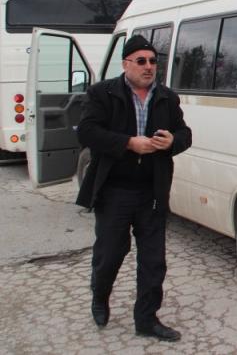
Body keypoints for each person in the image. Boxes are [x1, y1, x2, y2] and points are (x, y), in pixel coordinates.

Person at [76, 35, 192, 342]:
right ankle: (100, 297)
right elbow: (87, 132)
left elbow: (185, 133)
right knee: (110, 254)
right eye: (141, 61)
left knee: (153, 261)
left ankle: (146, 320)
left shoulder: (167, 97)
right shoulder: (103, 93)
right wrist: (128, 143)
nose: (149, 67)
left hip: (152, 192)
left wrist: (172, 142)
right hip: (114, 190)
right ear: (126, 63)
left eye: (153, 61)